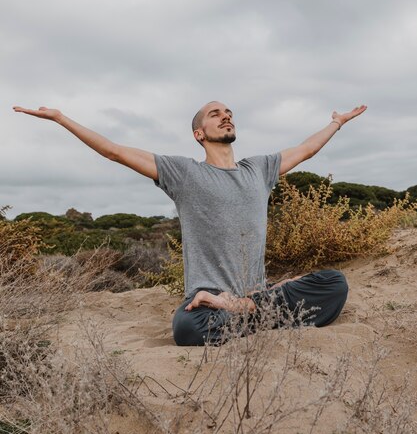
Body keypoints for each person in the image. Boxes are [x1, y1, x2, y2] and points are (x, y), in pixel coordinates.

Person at [13, 101, 367, 346]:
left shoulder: (259, 169)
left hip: (252, 296)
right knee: (186, 328)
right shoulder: (184, 173)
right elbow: (114, 151)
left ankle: (249, 308)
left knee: (334, 283)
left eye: (229, 113)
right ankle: (262, 310)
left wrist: (337, 122)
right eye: (215, 114)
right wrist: (61, 118)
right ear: (200, 133)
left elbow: (306, 149)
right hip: (209, 300)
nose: (226, 117)